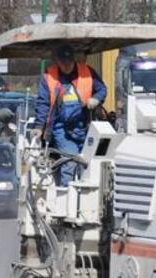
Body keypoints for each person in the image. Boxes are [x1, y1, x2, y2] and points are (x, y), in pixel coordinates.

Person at [32, 44, 107, 186]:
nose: (66, 66)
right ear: (57, 62)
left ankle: (84, 201)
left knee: (86, 164)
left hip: (84, 127)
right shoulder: (49, 76)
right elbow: (43, 104)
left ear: (74, 60)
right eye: (63, 63)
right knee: (70, 162)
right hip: (61, 129)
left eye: (69, 63)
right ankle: (66, 199)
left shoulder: (87, 72)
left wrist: (96, 98)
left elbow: (102, 89)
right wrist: (39, 127)